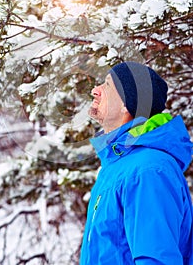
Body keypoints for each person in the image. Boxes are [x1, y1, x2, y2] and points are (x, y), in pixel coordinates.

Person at [80, 61, 192, 265]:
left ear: (126, 103)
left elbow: (156, 259)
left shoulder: (148, 170)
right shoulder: (116, 168)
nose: (96, 91)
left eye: (107, 85)